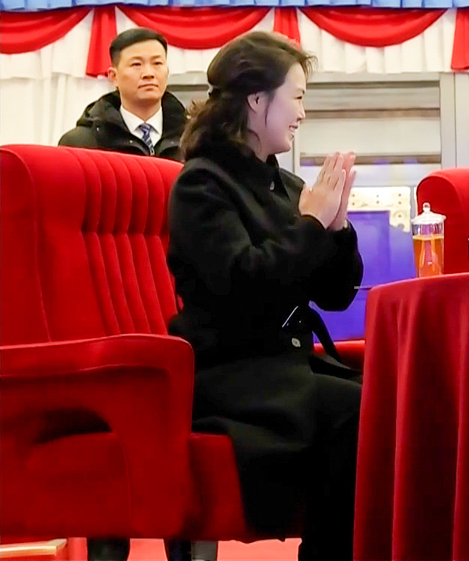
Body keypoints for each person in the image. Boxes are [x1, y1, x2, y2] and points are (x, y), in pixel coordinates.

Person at [167, 32, 362, 561]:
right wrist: (311, 226)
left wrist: (336, 231)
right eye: (296, 96)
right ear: (257, 101)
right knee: (359, 408)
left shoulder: (285, 184)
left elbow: (337, 294)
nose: (302, 111)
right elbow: (243, 284)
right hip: (229, 372)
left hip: (284, 366)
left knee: (396, 398)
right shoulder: (202, 185)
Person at [59, 27, 187, 159]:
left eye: (157, 63)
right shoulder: (82, 144)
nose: (149, 74)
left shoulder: (195, 138)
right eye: (136, 64)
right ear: (114, 77)